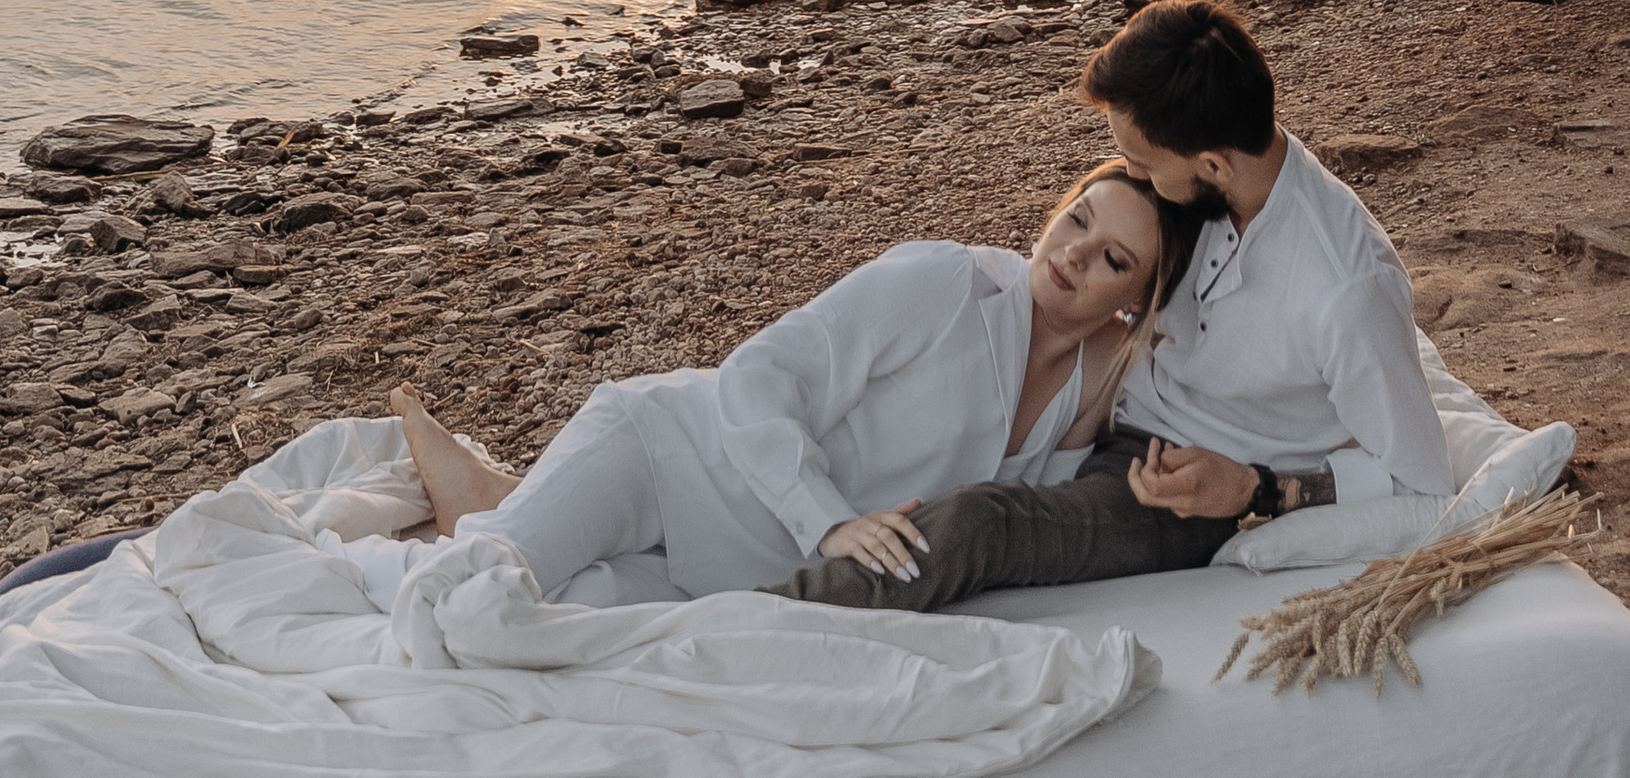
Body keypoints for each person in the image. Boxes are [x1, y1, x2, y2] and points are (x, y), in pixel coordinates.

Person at [776, 0, 1456, 610]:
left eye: (1141, 160)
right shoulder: (1202, 187)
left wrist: (1255, 488)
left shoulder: (1345, 291)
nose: (1130, 173)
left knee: (975, 526)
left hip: (1169, 485)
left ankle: (753, 625)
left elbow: (1421, 486)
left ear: (1212, 163)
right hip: (1095, 400)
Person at [389, 158, 1206, 601]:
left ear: (1137, 298)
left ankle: (497, 496)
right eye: (1077, 219)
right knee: (469, 594)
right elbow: (757, 375)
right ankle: (495, 512)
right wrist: (830, 524)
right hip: (668, 458)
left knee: (564, 633)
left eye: (1113, 259)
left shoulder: (1091, 388)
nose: (1071, 253)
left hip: (734, 568)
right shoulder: (945, 283)